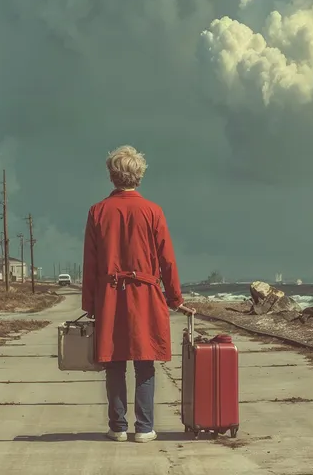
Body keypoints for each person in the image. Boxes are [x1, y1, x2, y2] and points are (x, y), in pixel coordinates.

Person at [82, 144, 193, 442]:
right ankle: (144, 428)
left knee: (114, 362)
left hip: (109, 294)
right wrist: (175, 298)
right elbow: (167, 259)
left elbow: (90, 263)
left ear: (112, 175)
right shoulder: (152, 211)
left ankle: (117, 427)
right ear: (139, 175)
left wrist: (89, 303)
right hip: (144, 293)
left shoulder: (97, 212)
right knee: (145, 362)